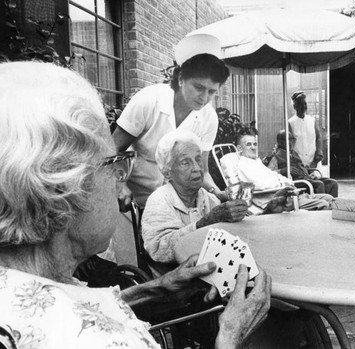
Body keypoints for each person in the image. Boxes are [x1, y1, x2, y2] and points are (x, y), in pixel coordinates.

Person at [0, 61, 271, 349]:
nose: (120, 178)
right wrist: (231, 337)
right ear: (65, 190)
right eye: (114, 163)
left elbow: (74, 302)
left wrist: (153, 292)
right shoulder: (99, 340)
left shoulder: (24, 283)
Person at [113, 33, 230, 209]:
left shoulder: (209, 118)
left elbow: (203, 170)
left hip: (173, 203)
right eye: (198, 87)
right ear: (181, 78)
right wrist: (119, 185)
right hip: (132, 200)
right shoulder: (149, 100)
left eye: (212, 92)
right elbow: (111, 150)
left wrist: (216, 192)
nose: (204, 98)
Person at [142, 130, 249, 276]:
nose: (197, 168)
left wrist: (266, 209)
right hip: (176, 281)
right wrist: (206, 222)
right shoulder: (159, 201)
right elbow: (160, 252)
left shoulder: (207, 197)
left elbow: (234, 235)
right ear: (167, 172)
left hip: (209, 272)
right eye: (185, 162)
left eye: (198, 159)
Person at [223, 128, 334, 211]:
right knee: (323, 204)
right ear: (239, 148)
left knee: (329, 198)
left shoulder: (256, 162)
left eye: (255, 144)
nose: (253, 147)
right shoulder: (244, 166)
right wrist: (281, 183)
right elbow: (260, 185)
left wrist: (285, 181)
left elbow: (272, 174)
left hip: (291, 193)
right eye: (248, 144)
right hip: (280, 202)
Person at [268, 130, 339, 197]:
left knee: (333, 183)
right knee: (318, 184)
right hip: (295, 181)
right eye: (287, 140)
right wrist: (284, 170)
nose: (290, 143)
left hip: (307, 178)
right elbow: (269, 173)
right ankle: (321, 207)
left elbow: (301, 166)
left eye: (291, 140)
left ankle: (333, 206)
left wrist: (308, 172)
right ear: (280, 142)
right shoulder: (276, 156)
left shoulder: (294, 153)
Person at [288, 91, 323, 168]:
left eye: (305, 104)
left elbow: (318, 138)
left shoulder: (312, 121)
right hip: (298, 165)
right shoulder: (290, 123)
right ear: (294, 106)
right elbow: (289, 145)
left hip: (314, 163)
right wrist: (298, 163)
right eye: (300, 104)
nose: (303, 106)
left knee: (319, 179)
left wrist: (316, 159)